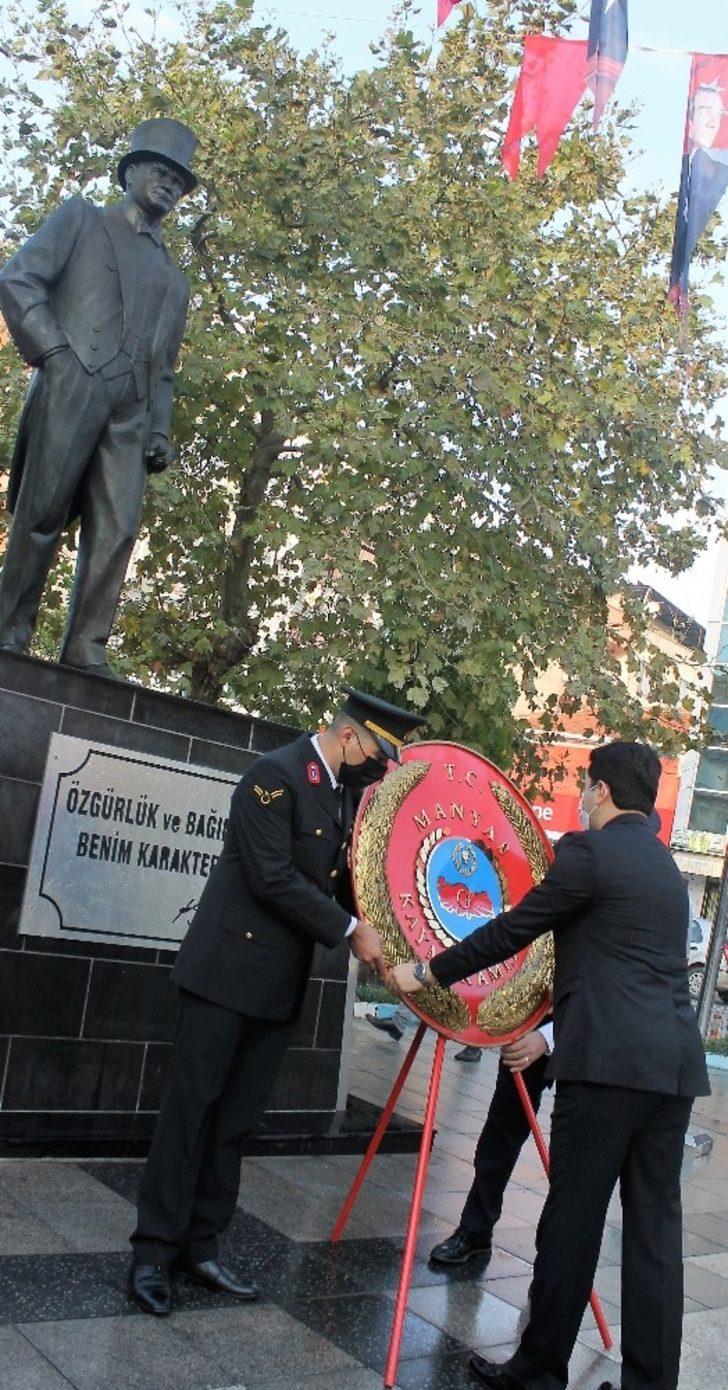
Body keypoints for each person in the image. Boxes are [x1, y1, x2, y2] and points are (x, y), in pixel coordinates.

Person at [392, 741, 709, 1390]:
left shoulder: (589, 854)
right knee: (654, 1237)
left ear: (602, 792)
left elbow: (513, 929)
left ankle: (538, 1371)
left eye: (589, 787)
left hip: (606, 1072)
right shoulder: (663, 868)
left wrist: (427, 970)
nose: (586, 798)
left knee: (572, 1223)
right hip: (672, 1072)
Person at [129, 686, 424, 1315]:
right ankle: (153, 1254)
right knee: (189, 1117)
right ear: (350, 736)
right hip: (223, 978)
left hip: (274, 988)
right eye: (378, 751)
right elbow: (272, 876)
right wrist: (350, 932)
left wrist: (389, 940)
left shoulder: (343, 796)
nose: (380, 765)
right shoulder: (274, 776)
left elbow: (337, 885)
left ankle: (201, 1247)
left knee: (234, 1125)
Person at [0, 118, 196, 675]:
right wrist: (54, 354)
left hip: (131, 412)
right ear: (131, 171)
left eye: (179, 182)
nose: (169, 186)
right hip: (72, 383)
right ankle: (10, 632)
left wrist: (159, 428)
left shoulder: (173, 279)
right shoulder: (80, 220)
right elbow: (17, 280)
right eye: (162, 171)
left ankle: (87, 646)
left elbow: (165, 367)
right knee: (41, 513)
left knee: (118, 530)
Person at [429, 1022, 552, 1266]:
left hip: (590, 1033)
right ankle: (475, 1229)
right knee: (501, 1129)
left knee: (575, 1156)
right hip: (532, 1016)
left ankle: (554, 1265)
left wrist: (549, 1037)